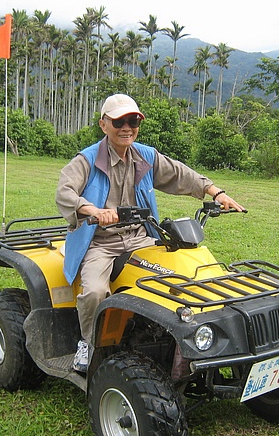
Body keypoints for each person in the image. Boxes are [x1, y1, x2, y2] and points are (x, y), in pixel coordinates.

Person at [56, 93, 246, 372]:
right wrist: (92, 211)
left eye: (133, 120)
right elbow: (64, 192)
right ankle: (88, 343)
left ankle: (182, 340)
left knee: (180, 277)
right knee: (95, 291)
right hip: (100, 242)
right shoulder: (86, 160)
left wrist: (215, 192)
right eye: (119, 121)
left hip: (141, 237)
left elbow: (181, 174)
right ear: (103, 125)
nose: (127, 127)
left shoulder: (145, 156)